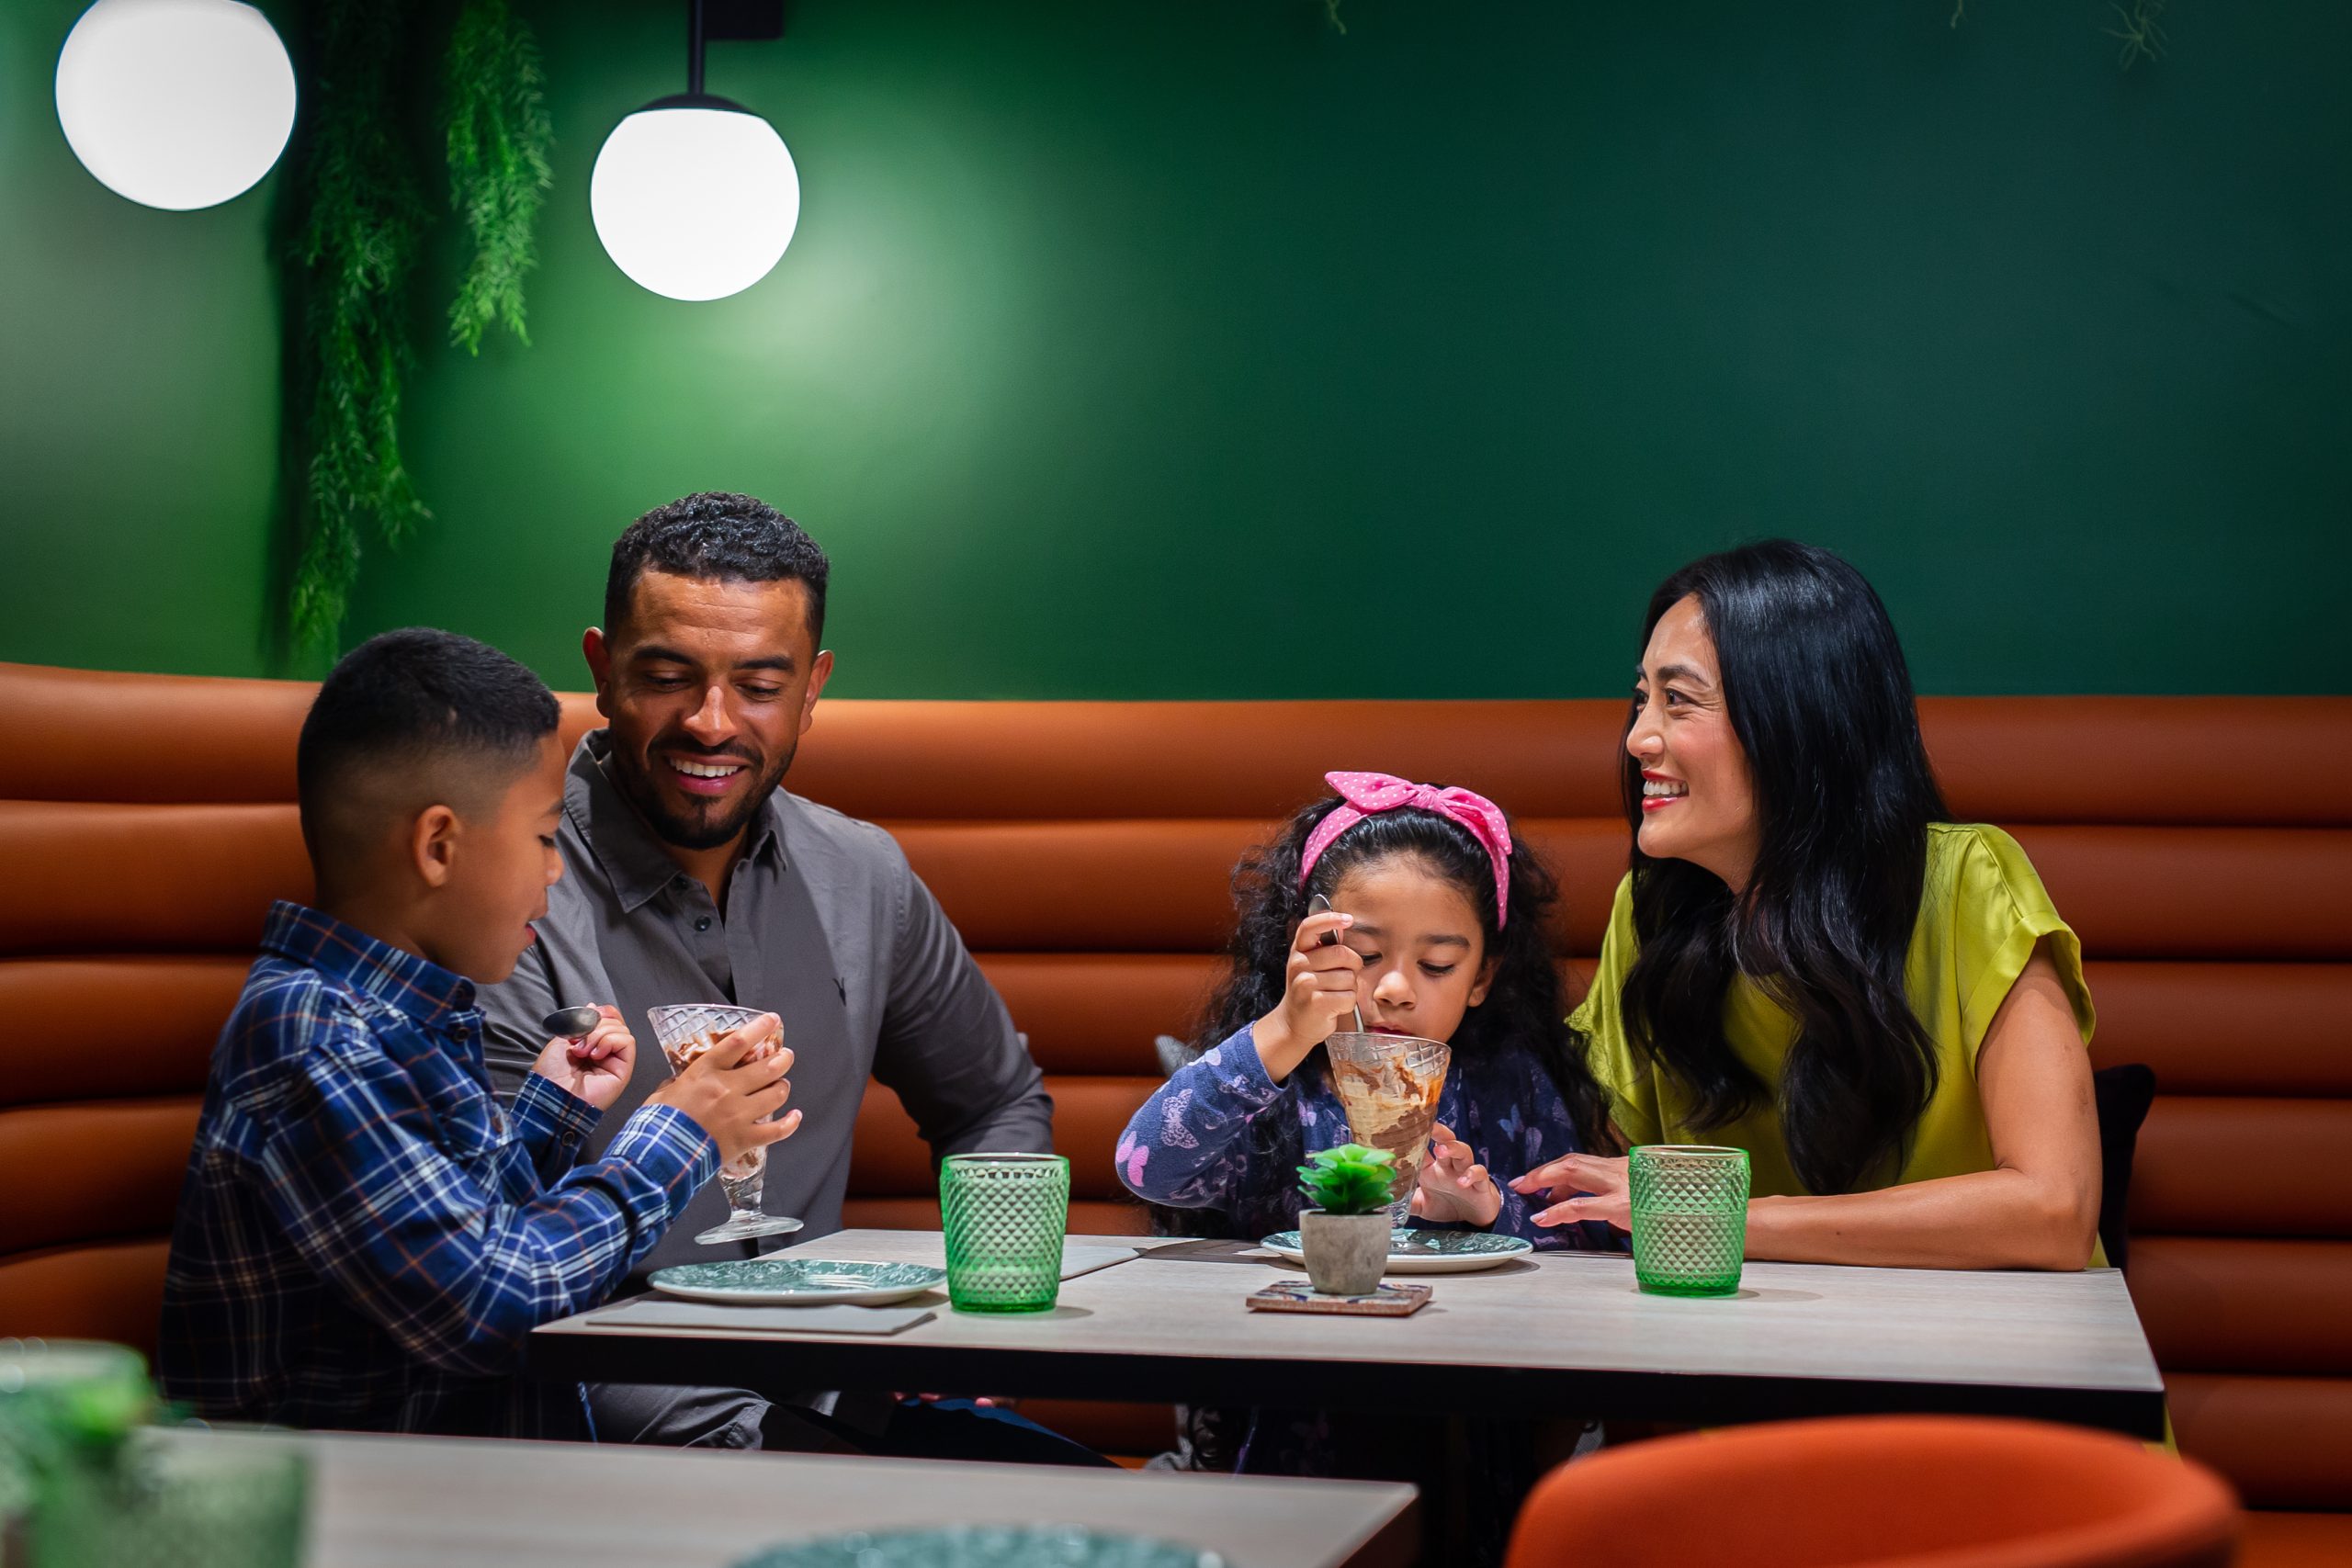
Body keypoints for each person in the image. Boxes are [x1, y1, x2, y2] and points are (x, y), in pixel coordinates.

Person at [477, 491, 1063, 1455]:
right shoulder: (510, 885)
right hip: (605, 1410)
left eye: (758, 684)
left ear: (813, 685)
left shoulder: (864, 877)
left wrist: (988, 1321)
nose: (711, 723)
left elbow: (994, 1100)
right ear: (601, 668)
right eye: (668, 676)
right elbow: (480, 1242)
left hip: (839, 1384)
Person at [160, 628, 794, 1438]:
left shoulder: (398, 1016)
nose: (556, 870)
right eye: (541, 838)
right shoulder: (315, 1038)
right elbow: (492, 1302)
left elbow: (445, 1230)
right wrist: (679, 1132)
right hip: (346, 1515)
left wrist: (550, 1114)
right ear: (438, 846)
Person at [1513, 540, 2103, 1269]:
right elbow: (1577, 1174)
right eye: (1642, 699)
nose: (1639, 737)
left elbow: (2055, 1210)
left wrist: (1728, 1217)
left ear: (1795, 720)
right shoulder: (1653, 914)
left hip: (1980, 1362)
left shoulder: (1966, 883)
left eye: (1680, 699)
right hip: (1749, 1363)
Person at [1117, 771, 1617, 1488]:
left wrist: (1485, 1214)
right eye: (1366, 954)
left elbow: (1585, 1243)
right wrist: (1285, 1031)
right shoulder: (1276, 1083)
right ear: (1308, 949)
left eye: (1437, 963)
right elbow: (1146, 1164)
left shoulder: (1510, 1083)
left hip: (1473, 1447)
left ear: (1482, 976)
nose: (1394, 987)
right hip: (1294, 1439)